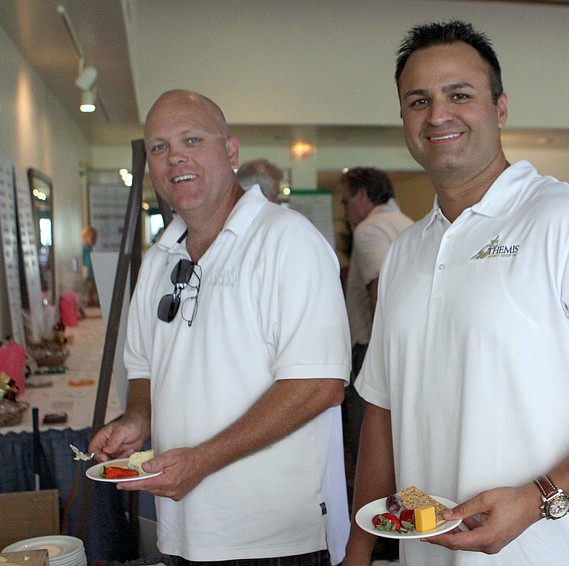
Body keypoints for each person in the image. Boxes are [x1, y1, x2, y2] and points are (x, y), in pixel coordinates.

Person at [343, 21, 569, 566]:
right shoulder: (407, 251)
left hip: (547, 552)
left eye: (459, 94)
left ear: (500, 108)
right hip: (427, 553)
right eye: (418, 101)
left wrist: (539, 498)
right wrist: (358, 552)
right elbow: (383, 414)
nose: (438, 115)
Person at [88, 90, 351, 565]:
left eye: (192, 139)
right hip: (183, 529)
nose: (175, 158)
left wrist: (202, 460)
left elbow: (319, 384)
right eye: (160, 148)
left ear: (230, 151)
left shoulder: (286, 241)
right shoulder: (160, 257)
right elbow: (145, 368)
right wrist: (136, 419)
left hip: (272, 541)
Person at [340, 167, 413, 470]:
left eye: (345, 202)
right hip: (407, 347)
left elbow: (380, 289)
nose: (345, 212)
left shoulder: (370, 229)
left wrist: (379, 353)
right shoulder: (409, 224)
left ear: (361, 195)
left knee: (367, 439)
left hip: (372, 346)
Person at [81, 225, 98, 307]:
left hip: (91, 273)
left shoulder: (89, 249)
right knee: (88, 288)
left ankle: (91, 300)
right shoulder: (84, 249)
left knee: (91, 288)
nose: (94, 240)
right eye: (92, 237)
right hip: (87, 273)